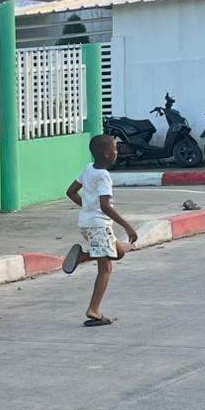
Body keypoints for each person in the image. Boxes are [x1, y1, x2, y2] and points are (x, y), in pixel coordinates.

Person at [61, 134, 138, 326]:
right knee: (106, 268)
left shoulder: (88, 169)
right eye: (115, 149)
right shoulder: (103, 176)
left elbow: (70, 191)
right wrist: (127, 225)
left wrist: (87, 207)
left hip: (86, 224)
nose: (117, 153)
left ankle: (89, 255)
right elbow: (105, 206)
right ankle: (94, 310)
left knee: (117, 253)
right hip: (98, 225)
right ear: (106, 154)